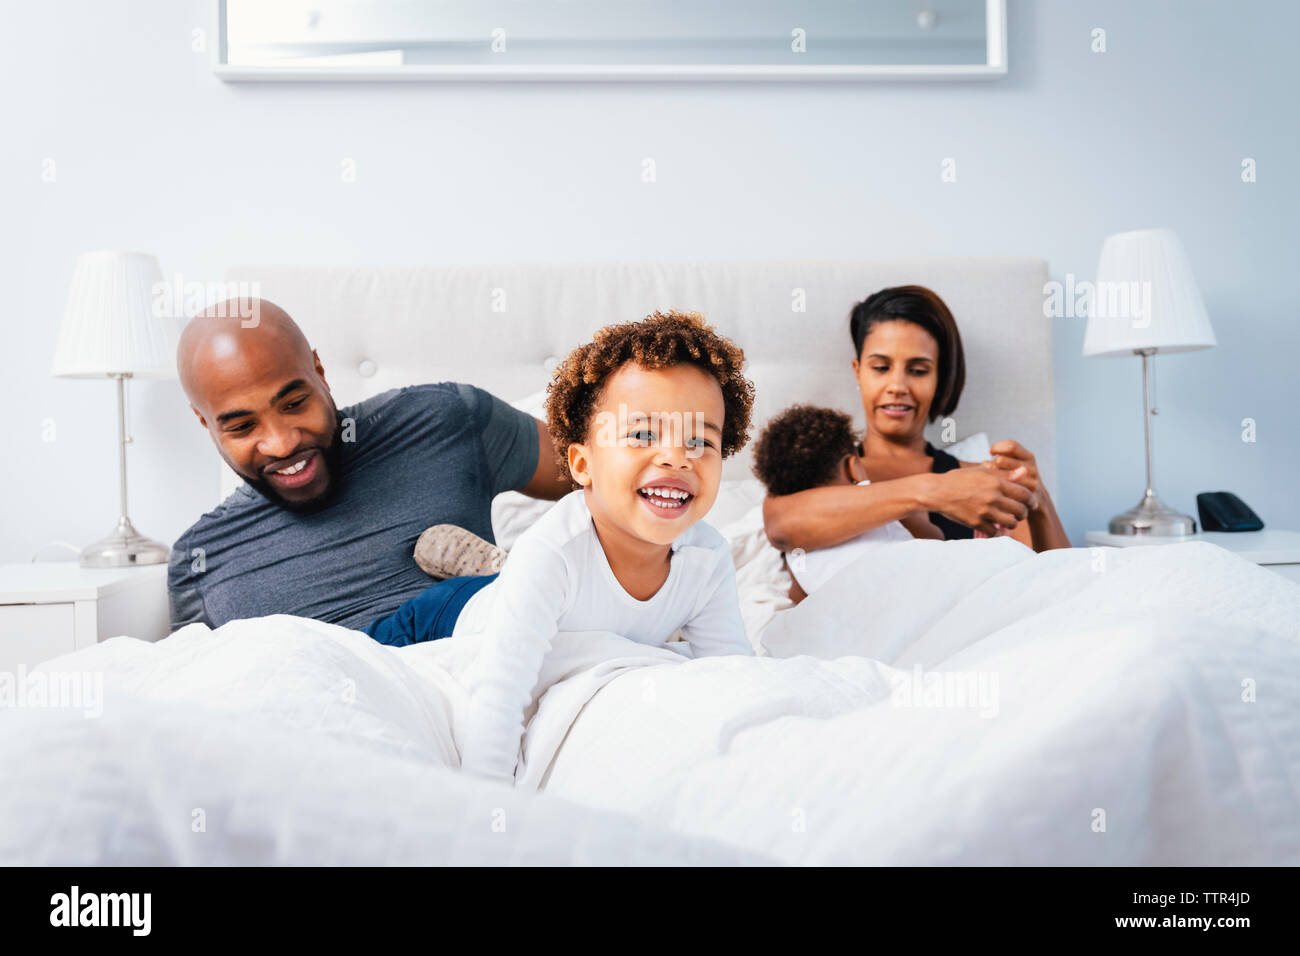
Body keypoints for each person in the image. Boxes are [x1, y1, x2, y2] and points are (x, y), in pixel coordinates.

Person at [422, 310, 759, 784]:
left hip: (543, 602)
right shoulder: (553, 554)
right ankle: (486, 570)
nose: (675, 457)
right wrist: (488, 808)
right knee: (371, 639)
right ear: (582, 465)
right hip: (449, 614)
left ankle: (496, 567)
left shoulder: (707, 558)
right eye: (642, 434)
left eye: (700, 441)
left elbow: (732, 676)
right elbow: (498, 696)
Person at [167, 298, 570, 637]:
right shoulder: (199, 560)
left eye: (294, 405)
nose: (282, 443)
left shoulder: (443, 421)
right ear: (205, 422)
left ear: (319, 372)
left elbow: (605, 483)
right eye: (242, 426)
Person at [762, 285, 1071, 555]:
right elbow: (781, 527)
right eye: (881, 368)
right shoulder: (821, 467)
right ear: (858, 371)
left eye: (919, 370)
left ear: (940, 378)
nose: (897, 386)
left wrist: (1039, 498)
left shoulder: (978, 483)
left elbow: (1062, 586)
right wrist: (934, 492)